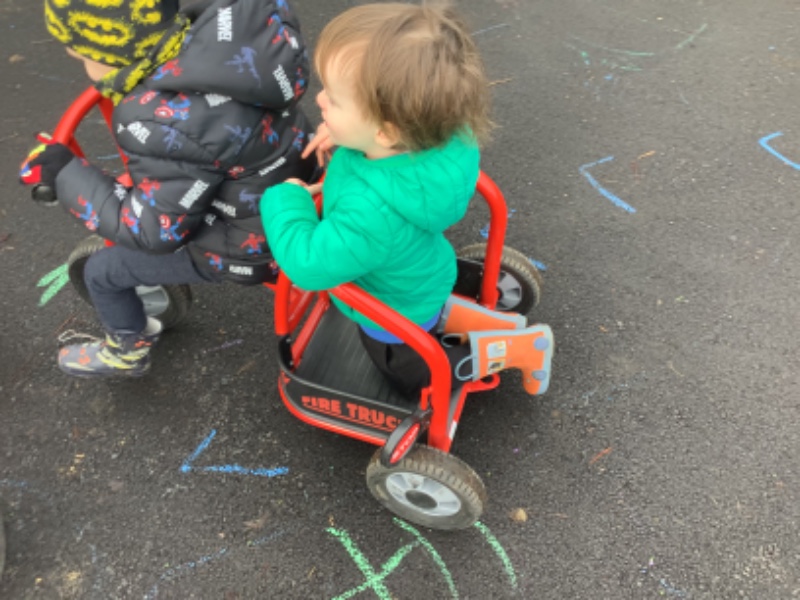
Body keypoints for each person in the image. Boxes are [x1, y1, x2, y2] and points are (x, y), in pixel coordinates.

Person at [260, 2, 554, 398]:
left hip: (391, 313)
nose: (320, 100)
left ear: (385, 132)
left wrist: (286, 201)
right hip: (419, 274)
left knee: (413, 375)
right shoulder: (444, 136)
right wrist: (347, 131)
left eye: (335, 100)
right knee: (427, 305)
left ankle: (522, 349)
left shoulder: (370, 212)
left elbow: (308, 265)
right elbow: (389, 138)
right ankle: (499, 326)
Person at [19, 0, 318, 377]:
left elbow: (155, 233)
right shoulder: (233, 35)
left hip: (250, 244)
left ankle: (127, 351)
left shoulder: (163, 122)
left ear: (114, 54)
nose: (84, 67)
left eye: (82, 57)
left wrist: (64, 175)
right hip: (298, 181)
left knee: (102, 272)